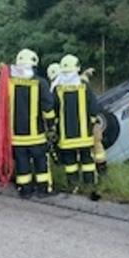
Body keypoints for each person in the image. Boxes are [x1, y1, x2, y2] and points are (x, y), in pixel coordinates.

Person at [0, 49, 56, 198]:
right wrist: (51, 125)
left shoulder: (7, 83)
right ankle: (43, 190)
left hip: (16, 137)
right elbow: (48, 108)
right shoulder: (40, 83)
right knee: (40, 163)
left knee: (22, 164)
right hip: (36, 136)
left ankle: (25, 191)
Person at [52, 54, 99, 190]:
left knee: (70, 162)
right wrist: (91, 123)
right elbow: (93, 106)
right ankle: (89, 184)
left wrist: (54, 126)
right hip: (84, 134)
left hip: (66, 135)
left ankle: (73, 186)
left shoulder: (58, 89)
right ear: (77, 69)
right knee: (87, 159)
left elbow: (52, 110)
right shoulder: (84, 87)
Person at [79, 67, 108, 174]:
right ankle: (102, 171)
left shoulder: (71, 91)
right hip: (92, 123)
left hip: (82, 126)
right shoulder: (88, 92)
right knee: (97, 147)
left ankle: (92, 173)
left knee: (88, 150)